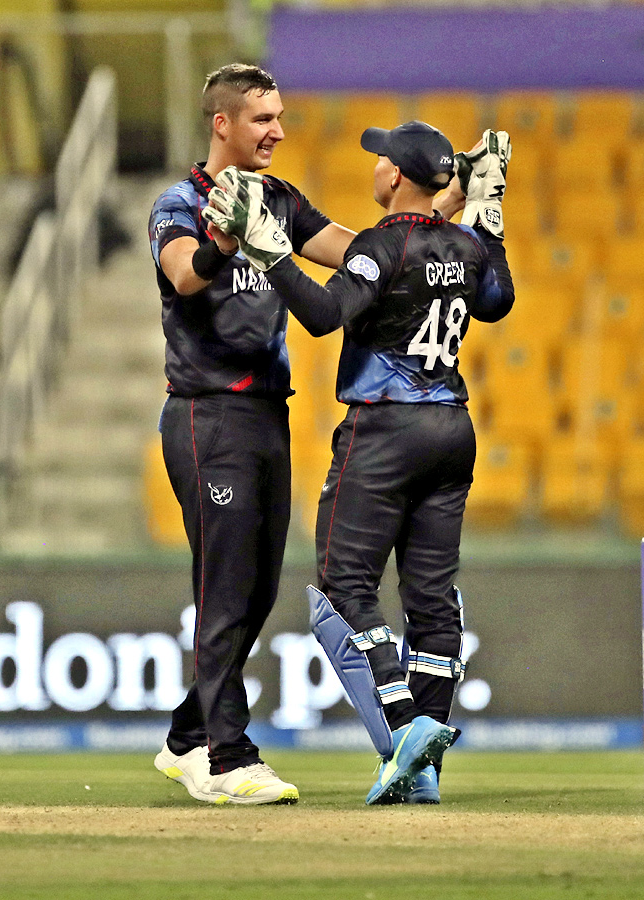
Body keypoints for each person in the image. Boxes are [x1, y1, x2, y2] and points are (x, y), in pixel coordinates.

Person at [204, 121, 514, 804]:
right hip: (452, 429)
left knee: (343, 587)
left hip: (384, 430)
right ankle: (422, 772)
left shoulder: (383, 243)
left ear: (397, 176)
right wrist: (490, 214)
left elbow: (323, 313)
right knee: (431, 598)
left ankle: (403, 731)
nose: (373, 167)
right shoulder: (464, 245)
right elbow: (499, 301)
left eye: (380, 160)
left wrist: (271, 251)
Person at [146, 63, 362, 805]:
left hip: (269, 412)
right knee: (226, 586)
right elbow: (184, 274)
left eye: (280, 117)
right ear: (223, 123)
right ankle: (227, 757)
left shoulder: (280, 200)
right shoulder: (178, 204)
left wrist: (425, 230)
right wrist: (224, 237)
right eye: (263, 119)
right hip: (207, 415)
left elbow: (349, 249)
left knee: (258, 588)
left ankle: (186, 738)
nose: (277, 132)